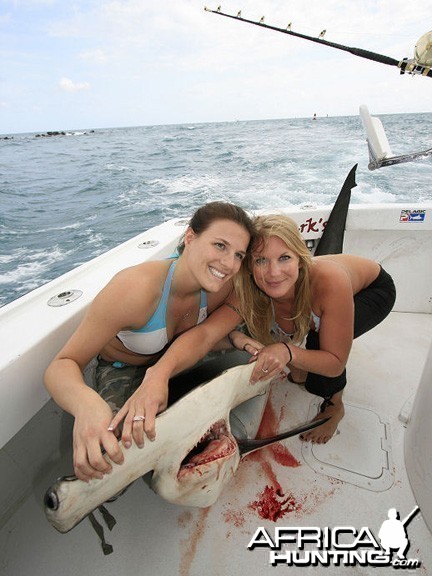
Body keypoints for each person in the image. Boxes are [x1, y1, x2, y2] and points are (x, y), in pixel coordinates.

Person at [44, 201, 256, 482]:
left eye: (238, 255)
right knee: (109, 463)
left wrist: (160, 374)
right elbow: (62, 364)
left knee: (260, 349)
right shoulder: (135, 289)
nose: (229, 264)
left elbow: (204, 336)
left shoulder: (226, 286)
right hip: (125, 368)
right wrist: (87, 405)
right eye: (220, 245)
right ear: (190, 238)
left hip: (175, 360)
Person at [228, 213, 396, 443]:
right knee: (302, 359)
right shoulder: (247, 286)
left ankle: (334, 407)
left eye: (284, 257)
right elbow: (217, 328)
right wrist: (238, 336)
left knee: (319, 349)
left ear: (300, 257)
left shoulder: (328, 280)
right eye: (260, 260)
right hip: (331, 293)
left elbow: (335, 363)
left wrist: (288, 353)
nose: (273, 272)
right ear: (248, 265)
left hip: (374, 291)